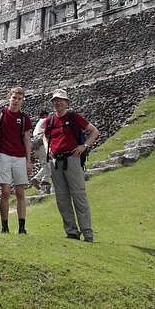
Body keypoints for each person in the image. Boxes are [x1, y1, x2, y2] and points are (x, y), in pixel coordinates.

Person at [44, 88, 100, 243]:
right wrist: (47, 148)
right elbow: (44, 135)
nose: (58, 103)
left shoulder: (73, 117)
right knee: (62, 199)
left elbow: (94, 131)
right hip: (56, 162)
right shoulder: (50, 121)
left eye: (60, 100)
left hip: (72, 159)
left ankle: (87, 233)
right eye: (55, 100)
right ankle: (71, 232)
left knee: (79, 196)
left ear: (66, 102)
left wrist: (84, 146)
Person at [0, 87, 32, 235]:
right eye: (14, 98)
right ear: (9, 98)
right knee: (6, 192)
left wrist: (28, 160)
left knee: (20, 193)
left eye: (19, 99)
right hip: (4, 155)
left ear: (23, 101)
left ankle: (22, 227)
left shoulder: (24, 118)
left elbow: (27, 139)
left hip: (20, 156)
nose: (16, 101)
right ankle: (4, 226)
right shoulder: (0, 114)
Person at [30, 110, 52, 195]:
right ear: (45, 115)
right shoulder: (45, 120)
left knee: (45, 164)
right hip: (41, 144)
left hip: (36, 145)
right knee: (49, 164)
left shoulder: (38, 124)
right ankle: (39, 179)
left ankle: (44, 180)